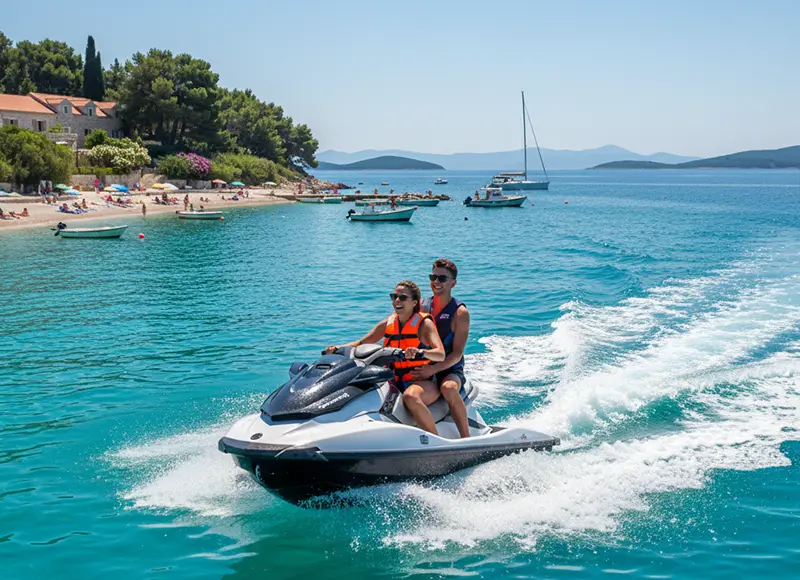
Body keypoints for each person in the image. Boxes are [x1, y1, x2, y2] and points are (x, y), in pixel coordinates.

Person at [325, 281, 446, 434]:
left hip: (422, 381)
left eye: (402, 297)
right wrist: (338, 349)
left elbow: (440, 354)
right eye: (394, 297)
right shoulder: (389, 322)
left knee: (410, 397)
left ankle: (435, 439)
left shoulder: (424, 323)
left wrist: (420, 352)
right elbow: (361, 343)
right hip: (394, 380)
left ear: (414, 302)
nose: (397, 301)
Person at [410, 258, 471, 438]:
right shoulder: (421, 306)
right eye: (433, 277)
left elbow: (457, 353)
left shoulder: (460, 313)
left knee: (449, 388)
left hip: (449, 369)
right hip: (423, 367)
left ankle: (466, 438)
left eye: (442, 278)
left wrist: (433, 370)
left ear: (453, 283)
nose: (436, 281)